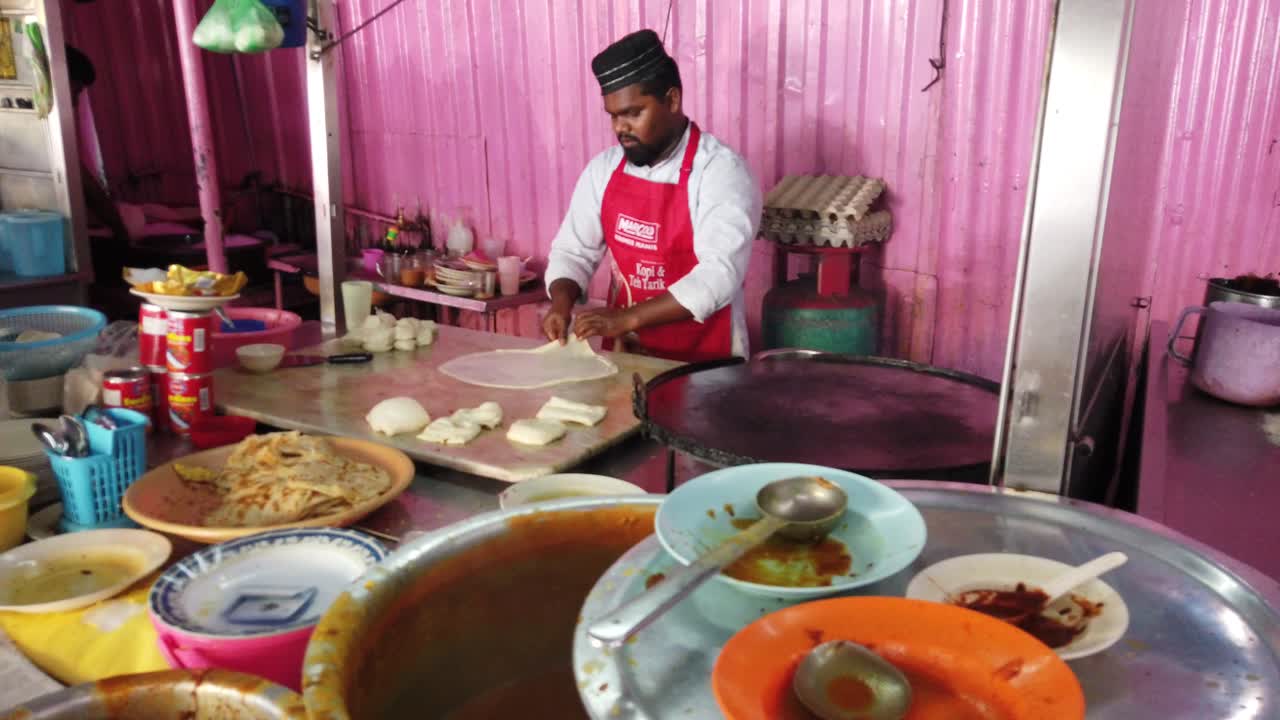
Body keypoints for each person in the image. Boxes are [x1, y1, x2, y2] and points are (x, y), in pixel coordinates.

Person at [542, 29, 762, 362]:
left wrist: (628, 318)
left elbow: (718, 275)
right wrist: (561, 304)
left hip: (704, 365)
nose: (620, 128)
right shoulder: (603, 171)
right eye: (614, 116)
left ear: (672, 100)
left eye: (633, 113)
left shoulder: (721, 172)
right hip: (625, 357)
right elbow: (574, 250)